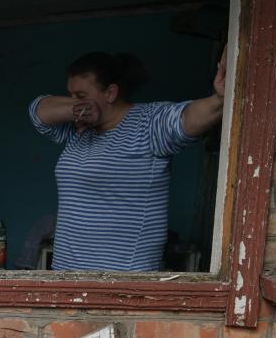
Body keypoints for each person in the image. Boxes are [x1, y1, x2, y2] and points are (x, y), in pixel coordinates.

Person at [29, 51, 226, 271]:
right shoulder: (79, 130)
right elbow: (38, 111)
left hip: (123, 279)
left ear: (111, 93)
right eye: (71, 95)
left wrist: (219, 99)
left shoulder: (149, 124)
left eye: (81, 95)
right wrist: (77, 108)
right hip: (67, 276)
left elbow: (188, 117)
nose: (74, 102)